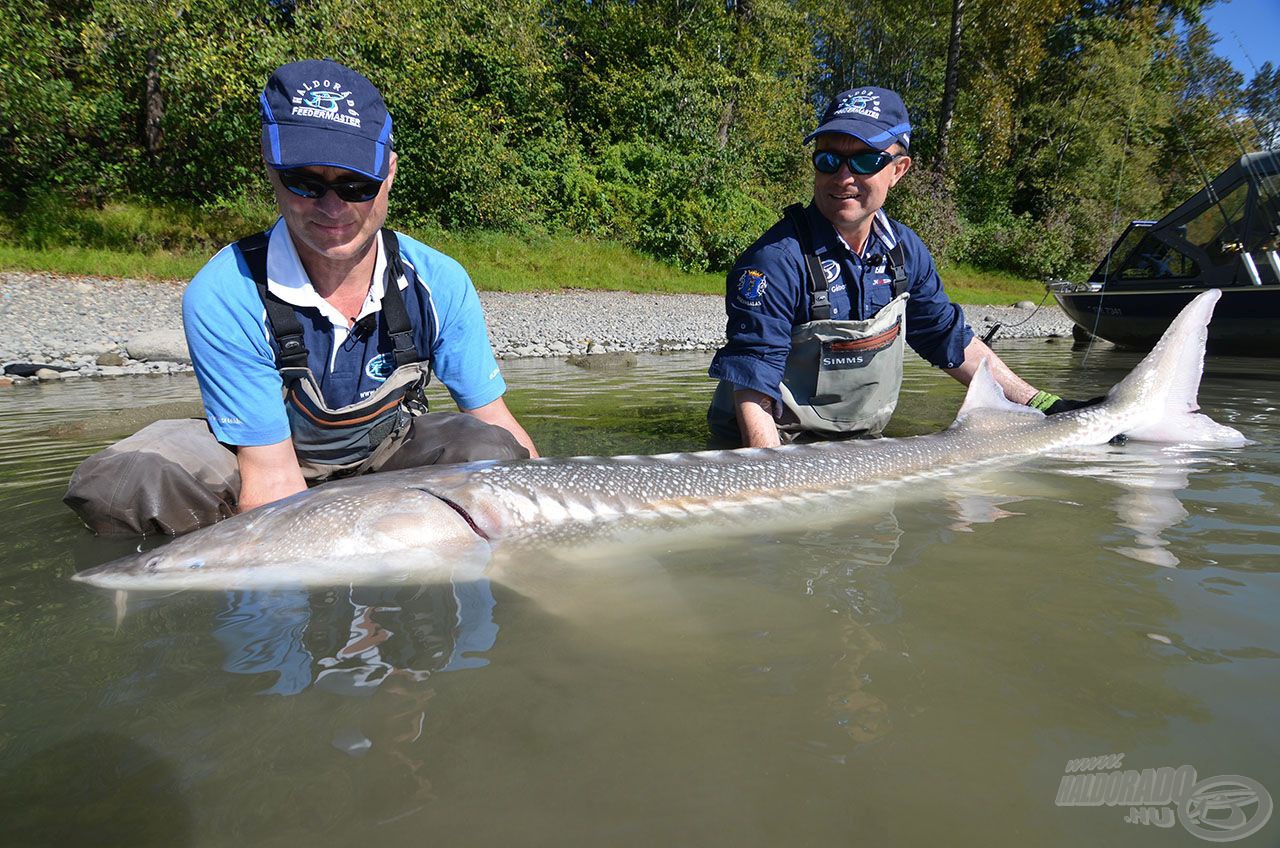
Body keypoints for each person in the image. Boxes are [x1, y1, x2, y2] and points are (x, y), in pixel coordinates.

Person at [65, 59, 537, 536]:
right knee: (124, 485)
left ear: (390, 173)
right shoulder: (227, 292)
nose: (332, 208)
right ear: (270, 167)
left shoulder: (438, 282)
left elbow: (495, 419)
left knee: (491, 451)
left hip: (388, 455)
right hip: (262, 455)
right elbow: (271, 476)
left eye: (355, 184)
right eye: (305, 183)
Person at [708, 86, 1098, 447]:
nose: (843, 177)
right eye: (828, 160)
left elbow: (949, 340)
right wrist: (772, 484)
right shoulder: (773, 261)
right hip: (763, 441)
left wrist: (1043, 404)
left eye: (864, 160)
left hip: (856, 444)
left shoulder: (905, 252)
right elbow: (754, 381)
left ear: (898, 169)